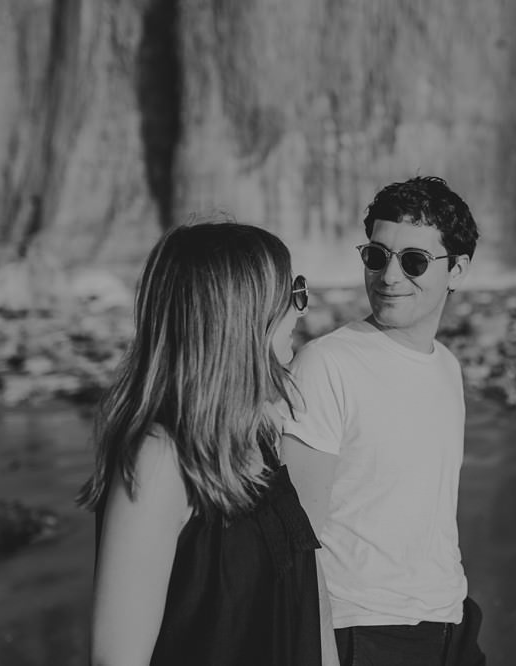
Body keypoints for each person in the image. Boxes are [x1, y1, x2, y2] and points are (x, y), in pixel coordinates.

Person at [77, 218, 338, 665]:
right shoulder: (160, 460)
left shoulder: (260, 436)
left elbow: (306, 598)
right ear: (240, 316)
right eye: (292, 293)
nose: (301, 310)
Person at [282, 176, 487, 665]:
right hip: (363, 631)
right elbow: (295, 539)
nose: (389, 276)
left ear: (456, 270)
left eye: (414, 261)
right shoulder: (326, 365)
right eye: (376, 256)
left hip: (450, 621)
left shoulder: (446, 366)